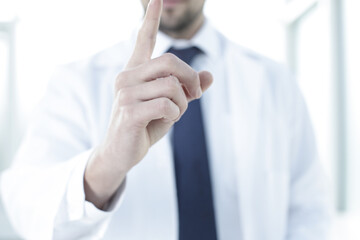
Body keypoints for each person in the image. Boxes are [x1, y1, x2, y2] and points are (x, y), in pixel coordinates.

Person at [0, 0, 331, 239]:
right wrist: (107, 164)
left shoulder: (275, 81)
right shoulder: (74, 82)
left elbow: (309, 209)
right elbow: (25, 205)